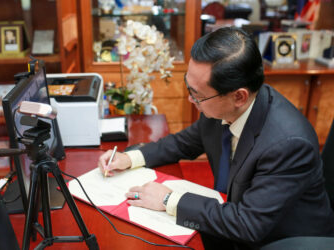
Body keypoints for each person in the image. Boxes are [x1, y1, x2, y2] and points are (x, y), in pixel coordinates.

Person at [97, 27, 334, 249]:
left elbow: (247, 224)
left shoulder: (288, 144)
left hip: (282, 239)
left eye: (197, 95)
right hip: (233, 218)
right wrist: (129, 158)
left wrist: (169, 199)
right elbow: (183, 143)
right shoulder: (221, 104)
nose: (191, 100)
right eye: (188, 87)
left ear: (239, 97)